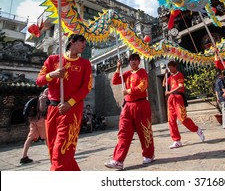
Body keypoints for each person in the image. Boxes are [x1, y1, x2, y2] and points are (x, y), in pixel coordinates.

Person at [36, 34, 92, 171]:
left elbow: (86, 87)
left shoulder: (85, 64)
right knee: (54, 150)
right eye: (81, 42)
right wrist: (52, 74)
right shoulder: (53, 60)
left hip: (71, 109)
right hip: (53, 109)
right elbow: (39, 81)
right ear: (72, 42)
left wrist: (70, 103)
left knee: (62, 150)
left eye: (85, 43)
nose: (84, 45)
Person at [105, 53, 155, 170]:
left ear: (138, 62)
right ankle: (118, 160)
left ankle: (149, 154)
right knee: (123, 132)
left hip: (141, 104)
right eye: (132, 60)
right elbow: (115, 80)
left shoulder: (142, 72)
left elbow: (143, 86)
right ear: (129, 62)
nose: (134, 62)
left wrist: (128, 91)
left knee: (144, 131)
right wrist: (118, 68)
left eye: (136, 60)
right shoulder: (126, 74)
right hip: (127, 106)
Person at [163, 61, 205, 149]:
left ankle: (197, 129)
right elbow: (164, 84)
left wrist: (170, 91)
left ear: (175, 67)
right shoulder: (170, 77)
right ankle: (176, 140)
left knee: (183, 118)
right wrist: (165, 75)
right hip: (171, 99)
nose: (170, 69)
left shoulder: (179, 75)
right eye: (169, 67)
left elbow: (180, 86)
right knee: (171, 120)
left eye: (171, 67)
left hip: (178, 98)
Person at [20, 88, 48, 164]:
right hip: (41, 120)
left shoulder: (39, 97)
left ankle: (24, 156)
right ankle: (53, 154)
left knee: (29, 138)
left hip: (33, 119)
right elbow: (43, 110)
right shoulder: (45, 98)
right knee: (46, 138)